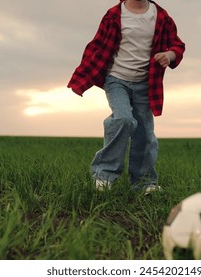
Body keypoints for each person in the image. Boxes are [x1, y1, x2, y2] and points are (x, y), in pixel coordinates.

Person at [67, 0, 185, 193]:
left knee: (145, 134)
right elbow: (96, 45)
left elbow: (177, 45)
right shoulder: (114, 15)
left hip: (146, 83)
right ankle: (103, 176)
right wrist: (83, 76)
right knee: (123, 119)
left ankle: (144, 183)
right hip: (116, 79)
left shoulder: (161, 16)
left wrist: (169, 55)